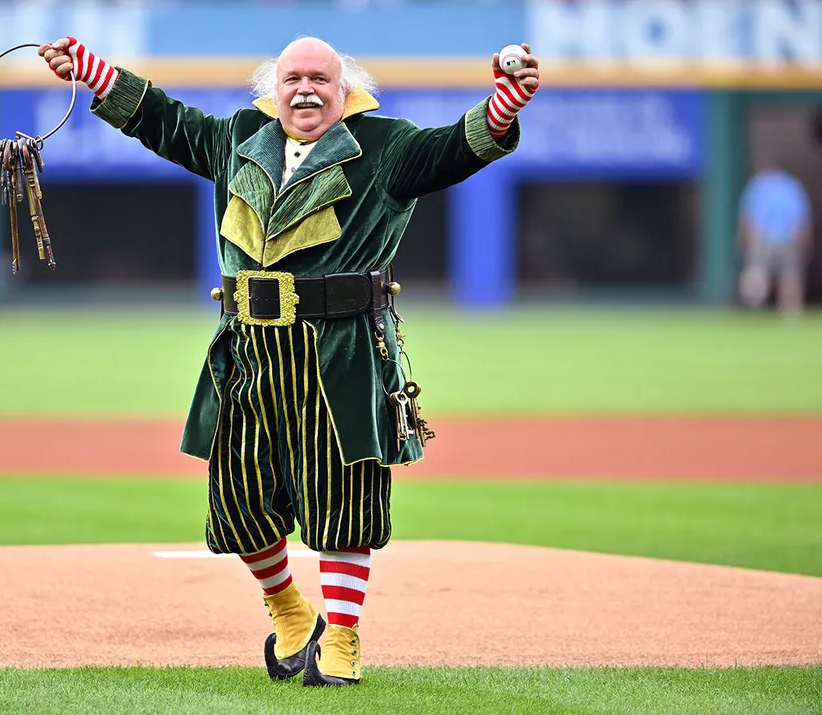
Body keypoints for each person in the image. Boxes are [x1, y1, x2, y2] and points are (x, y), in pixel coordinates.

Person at [39, 35, 540, 686]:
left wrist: (505, 103)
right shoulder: (240, 135)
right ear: (274, 89)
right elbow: (161, 120)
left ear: (345, 88)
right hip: (246, 345)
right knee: (239, 499)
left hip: (341, 347)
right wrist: (90, 71)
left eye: (319, 79)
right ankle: (289, 611)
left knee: (344, 496)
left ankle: (345, 637)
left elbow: (455, 149)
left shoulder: (385, 147)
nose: (305, 89)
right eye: (293, 78)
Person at [737, 161, 813, 315]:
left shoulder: (759, 184)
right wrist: (807, 243)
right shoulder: (792, 186)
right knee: (790, 276)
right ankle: (790, 312)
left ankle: (753, 307)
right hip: (788, 239)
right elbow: (802, 220)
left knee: (758, 272)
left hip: (762, 238)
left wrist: (742, 239)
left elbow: (747, 217)